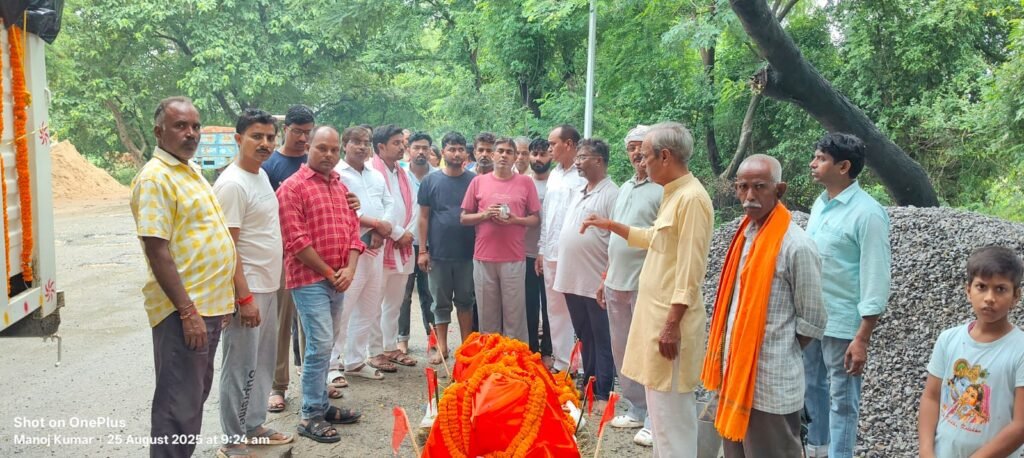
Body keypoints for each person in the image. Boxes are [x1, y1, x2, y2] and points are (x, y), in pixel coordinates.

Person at [580, 121, 713, 457]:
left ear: (665, 156)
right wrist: (611, 225)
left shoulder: (692, 198)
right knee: (661, 410)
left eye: (646, 155)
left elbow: (690, 268)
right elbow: (656, 238)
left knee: (672, 418)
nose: (641, 161)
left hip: (671, 324)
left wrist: (672, 324)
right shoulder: (674, 193)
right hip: (655, 318)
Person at [701, 155, 827, 457]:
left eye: (759, 187)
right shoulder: (744, 236)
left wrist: (772, 347)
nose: (749, 196)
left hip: (771, 385)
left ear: (779, 190)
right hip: (734, 380)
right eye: (743, 187)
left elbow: (812, 320)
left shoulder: (796, 244)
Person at [131, 96, 236, 458]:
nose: (191, 133)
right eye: (180, 126)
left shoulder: (187, 170)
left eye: (195, 126)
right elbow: (156, 250)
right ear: (159, 131)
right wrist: (188, 312)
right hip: (183, 313)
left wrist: (220, 303)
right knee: (178, 407)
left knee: (191, 400)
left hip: (205, 308)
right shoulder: (155, 178)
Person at [803, 133, 892, 458]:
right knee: (811, 387)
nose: (813, 164)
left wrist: (863, 337)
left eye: (821, 159)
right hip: (812, 319)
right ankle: (816, 450)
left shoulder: (868, 213)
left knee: (842, 398)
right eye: (815, 157)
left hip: (844, 325)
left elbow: (876, 276)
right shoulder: (820, 204)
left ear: (843, 166)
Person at [214, 109, 294, 456]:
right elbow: (227, 247)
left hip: (268, 284)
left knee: (262, 361)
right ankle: (233, 438)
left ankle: (254, 425)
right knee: (239, 364)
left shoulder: (259, 176)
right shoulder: (232, 184)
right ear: (238, 139)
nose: (264, 144)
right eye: (256, 137)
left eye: (269, 137)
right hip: (248, 291)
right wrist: (243, 297)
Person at [277, 126, 364, 443]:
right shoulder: (292, 188)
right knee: (320, 344)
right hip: (310, 279)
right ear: (307, 147)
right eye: (321, 148)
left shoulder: (341, 187)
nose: (328, 154)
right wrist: (332, 273)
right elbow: (296, 243)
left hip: (339, 277)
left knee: (326, 344)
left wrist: (350, 268)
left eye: (333, 149)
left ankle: (321, 405)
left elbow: (355, 232)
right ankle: (310, 415)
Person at [919, 246, 1024, 457]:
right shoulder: (948, 339)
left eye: (1000, 289)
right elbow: (931, 397)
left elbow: (1020, 425)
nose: (989, 297)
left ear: (1016, 296)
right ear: (968, 291)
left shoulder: (1020, 350)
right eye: (981, 287)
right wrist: (926, 450)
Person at [600, 125, 661, 446]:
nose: (636, 153)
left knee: (647, 351)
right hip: (615, 282)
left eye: (641, 147)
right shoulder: (625, 187)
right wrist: (605, 275)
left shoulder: (664, 189)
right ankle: (636, 408)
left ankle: (655, 417)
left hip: (644, 286)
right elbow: (615, 237)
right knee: (622, 349)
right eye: (631, 148)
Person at [555, 139, 618, 407]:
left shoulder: (611, 193)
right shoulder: (580, 190)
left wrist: (607, 276)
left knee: (602, 335)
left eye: (583, 157)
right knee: (584, 333)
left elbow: (617, 239)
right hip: (572, 277)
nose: (578, 162)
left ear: (599, 160)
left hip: (595, 279)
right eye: (578, 157)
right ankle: (589, 381)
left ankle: (603, 389)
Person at [460, 137, 541, 342]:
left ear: (515, 157)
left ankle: (515, 361)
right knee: (488, 318)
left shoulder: (525, 182)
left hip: (514, 257)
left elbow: (535, 219)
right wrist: (485, 215)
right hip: (484, 257)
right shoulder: (478, 181)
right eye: (500, 151)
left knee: (515, 316)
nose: (504, 155)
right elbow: (464, 218)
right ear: (493, 155)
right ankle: (491, 361)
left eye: (509, 152)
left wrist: (515, 220)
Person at [262, 104, 314, 414]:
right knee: (281, 324)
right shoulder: (271, 165)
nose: (303, 138)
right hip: (282, 255)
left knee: (312, 323)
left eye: (308, 133)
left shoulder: (314, 163)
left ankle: (313, 381)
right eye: (297, 132)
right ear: (286, 131)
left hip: (313, 255)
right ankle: (277, 386)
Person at [334, 125, 395, 380]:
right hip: (351, 250)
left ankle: (356, 361)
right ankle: (331, 366)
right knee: (343, 309)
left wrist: (382, 229)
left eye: (365, 142)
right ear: (345, 144)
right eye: (356, 141)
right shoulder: (337, 174)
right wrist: (373, 225)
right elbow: (342, 209)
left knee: (369, 307)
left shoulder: (375, 176)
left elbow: (389, 203)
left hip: (377, 248)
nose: (361, 146)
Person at [418, 132, 477, 365]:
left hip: (468, 252)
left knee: (466, 300)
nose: (456, 153)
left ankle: (467, 346)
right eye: (452, 149)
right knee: (439, 302)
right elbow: (423, 217)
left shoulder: (474, 180)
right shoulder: (430, 181)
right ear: (443, 152)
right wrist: (422, 250)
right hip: (439, 253)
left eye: (461, 149)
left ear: (466, 153)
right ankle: (441, 345)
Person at [537, 124, 588, 372]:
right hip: (550, 251)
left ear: (569, 144)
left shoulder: (583, 175)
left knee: (576, 309)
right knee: (554, 308)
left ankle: (579, 364)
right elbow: (548, 214)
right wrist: (541, 249)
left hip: (574, 254)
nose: (549, 149)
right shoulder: (555, 174)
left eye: (553, 143)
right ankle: (561, 361)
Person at [368, 124, 419, 368]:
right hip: (380, 246)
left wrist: (407, 233)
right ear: (380, 147)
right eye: (396, 143)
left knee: (395, 301)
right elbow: (374, 209)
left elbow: (415, 206)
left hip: (404, 245)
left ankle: (391, 347)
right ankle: (374, 351)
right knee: (374, 301)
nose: (402, 147)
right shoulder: (370, 172)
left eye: (402, 142)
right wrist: (397, 233)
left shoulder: (404, 173)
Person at [398, 132, 437, 355]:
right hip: (405, 240)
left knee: (429, 293)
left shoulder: (438, 176)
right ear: (408, 150)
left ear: (430, 150)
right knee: (403, 294)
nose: (421, 152)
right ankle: (402, 338)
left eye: (425, 148)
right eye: (416, 148)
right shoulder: (400, 175)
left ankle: (432, 338)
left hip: (432, 243)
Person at [524, 138, 553, 357]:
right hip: (525, 252)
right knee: (529, 303)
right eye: (534, 154)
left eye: (542, 154)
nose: (537, 158)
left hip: (551, 253)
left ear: (550, 156)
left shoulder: (558, 182)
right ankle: (531, 347)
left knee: (550, 304)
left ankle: (549, 349)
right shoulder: (523, 182)